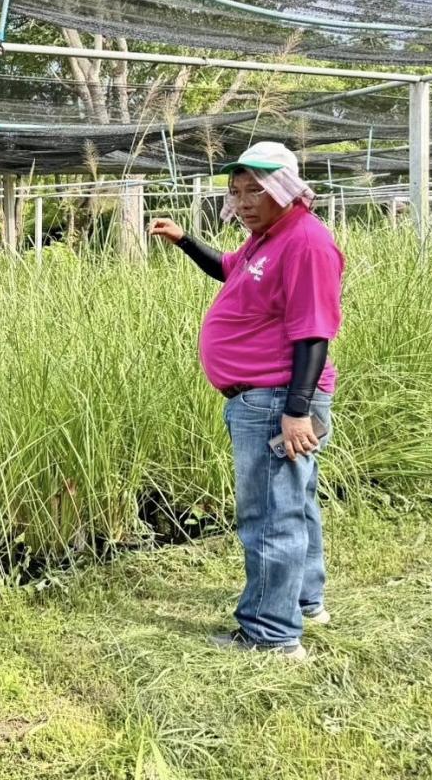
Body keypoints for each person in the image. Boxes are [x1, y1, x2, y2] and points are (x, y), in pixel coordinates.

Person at [150, 142, 344, 661]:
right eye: (236, 191)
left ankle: (272, 635)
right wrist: (185, 241)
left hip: (278, 397)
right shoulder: (266, 240)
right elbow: (228, 269)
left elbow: (313, 333)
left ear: (283, 186)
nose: (243, 200)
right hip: (267, 397)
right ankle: (304, 603)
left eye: (256, 189)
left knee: (269, 515)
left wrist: (297, 409)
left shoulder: (306, 243)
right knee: (295, 504)